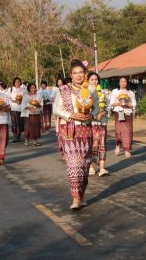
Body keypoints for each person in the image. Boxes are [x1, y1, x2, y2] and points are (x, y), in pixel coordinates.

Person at [53, 60, 98, 210]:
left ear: (85, 74)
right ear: (71, 75)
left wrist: (90, 115)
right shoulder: (63, 90)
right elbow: (57, 109)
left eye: (81, 72)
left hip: (86, 130)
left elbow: (97, 109)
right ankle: (75, 199)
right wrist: (72, 115)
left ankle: (81, 196)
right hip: (70, 131)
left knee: (84, 165)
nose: (78, 75)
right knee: (73, 165)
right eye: (75, 73)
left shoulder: (91, 89)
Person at [88, 72, 110, 176]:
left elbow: (109, 106)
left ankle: (102, 168)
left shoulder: (104, 93)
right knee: (93, 144)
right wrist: (95, 115)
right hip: (91, 123)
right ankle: (91, 166)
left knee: (102, 144)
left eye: (96, 79)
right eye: (92, 79)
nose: (94, 81)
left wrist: (104, 112)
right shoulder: (85, 93)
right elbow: (84, 108)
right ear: (88, 81)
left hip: (102, 122)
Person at [110, 77, 136, 158]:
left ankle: (127, 149)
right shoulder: (115, 91)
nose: (123, 83)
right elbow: (111, 103)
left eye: (125, 81)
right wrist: (119, 103)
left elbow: (134, 104)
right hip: (119, 112)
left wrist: (128, 104)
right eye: (121, 81)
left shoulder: (130, 92)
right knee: (119, 131)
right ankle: (118, 145)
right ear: (119, 82)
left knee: (128, 131)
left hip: (128, 113)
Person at [8, 77, 26, 142]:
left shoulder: (23, 90)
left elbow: (26, 98)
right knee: (14, 123)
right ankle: (15, 136)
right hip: (13, 108)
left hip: (21, 109)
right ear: (14, 83)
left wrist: (21, 100)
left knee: (20, 123)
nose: (17, 83)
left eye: (18, 81)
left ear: (20, 82)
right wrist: (13, 101)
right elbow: (7, 98)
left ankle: (18, 135)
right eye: (16, 82)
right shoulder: (10, 89)